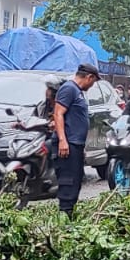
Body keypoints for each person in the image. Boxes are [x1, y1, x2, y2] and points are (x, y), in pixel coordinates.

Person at [51, 64, 99, 216]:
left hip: (75, 145)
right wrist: (62, 141)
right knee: (68, 183)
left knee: (76, 181)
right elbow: (58, 114)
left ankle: (68, 214)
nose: (92, 86)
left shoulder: (77, 91)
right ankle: (64, 217)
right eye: (93, 82)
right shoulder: (69, 89)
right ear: (89, 77)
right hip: (67, 144)